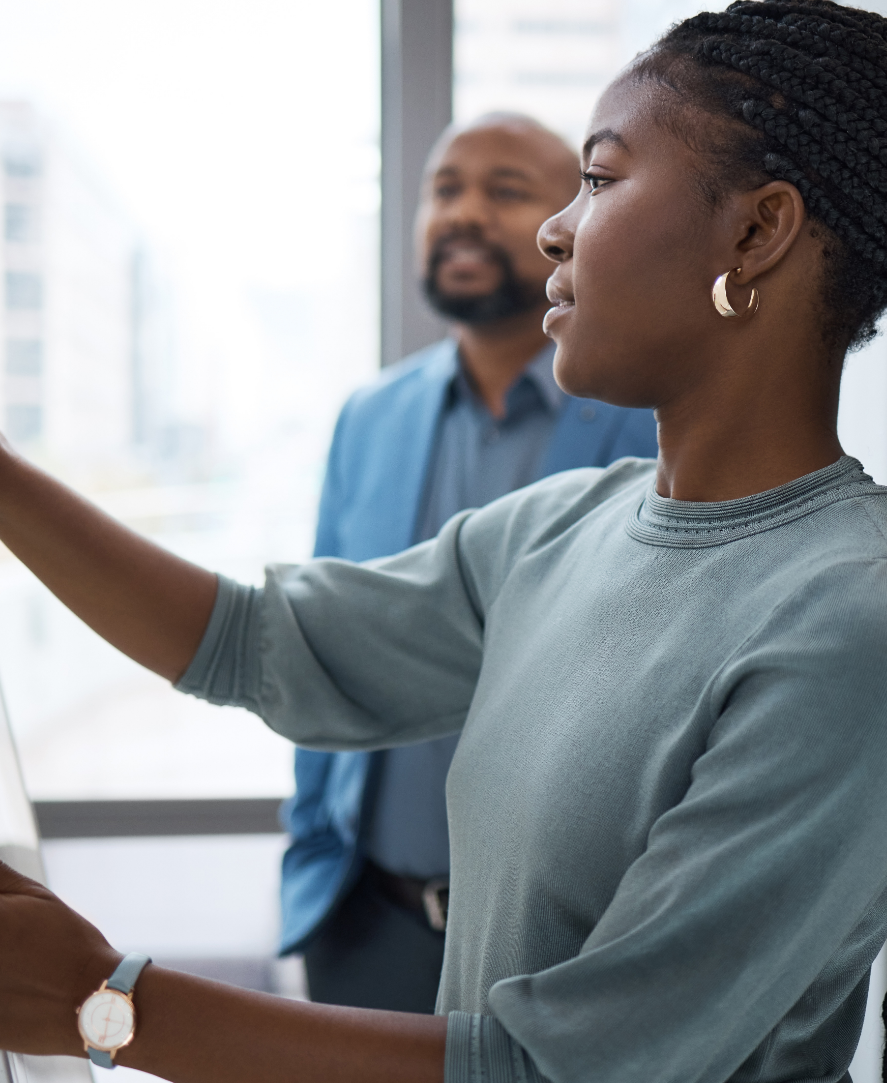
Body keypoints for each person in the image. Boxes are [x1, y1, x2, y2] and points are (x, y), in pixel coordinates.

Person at [0, 3, 887, 1080]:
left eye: (602, 180)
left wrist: (99, 1004)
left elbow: (563, 1066)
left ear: (756, 233)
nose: (558, 228)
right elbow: (256, 643)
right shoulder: (567, 528)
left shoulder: (862, 618)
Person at [290, 112, 657, 1013]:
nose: (462, 213)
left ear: (571, 220)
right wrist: (309, 860)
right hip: (366, 926)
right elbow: (315, 643)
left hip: (571, 948)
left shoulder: (648, 419)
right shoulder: (368, 419)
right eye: (443, 189)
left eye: (503, 190)